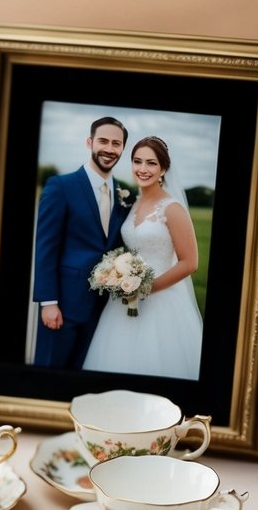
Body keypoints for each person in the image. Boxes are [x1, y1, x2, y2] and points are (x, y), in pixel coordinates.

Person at [83, 134, 203, 379]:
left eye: (151, 163)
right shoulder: (133, 203)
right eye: (137, 161)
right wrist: (116, 276)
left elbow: (190, 262)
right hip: (123, 300)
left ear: (164, 169)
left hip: (162, 303)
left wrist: (146, 288)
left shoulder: (172, 208)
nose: (143, 169)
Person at [33, 116, 130, 369]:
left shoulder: (122, 193)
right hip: (63, 306)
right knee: (49, 375)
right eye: (103, 141)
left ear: (122, 149)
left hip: (101, 310)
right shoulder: (61, 186)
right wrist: (49, 302)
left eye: (116, 144)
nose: (109, 149)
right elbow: (45, 247)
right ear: (90, 142)